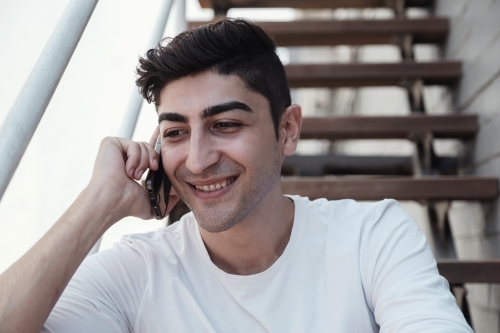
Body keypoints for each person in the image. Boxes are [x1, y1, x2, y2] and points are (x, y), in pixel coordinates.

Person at [0, 19, 472, 333]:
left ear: (286, 130)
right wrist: (97, 204)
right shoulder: (137, 271)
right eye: (177, 132)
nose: (199, 159)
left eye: (226, 125)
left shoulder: (373, 237)